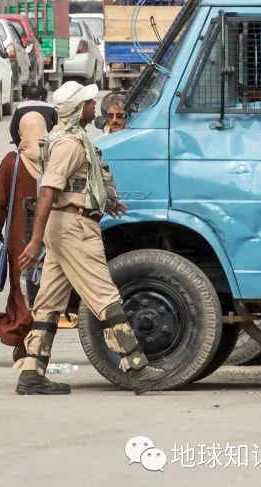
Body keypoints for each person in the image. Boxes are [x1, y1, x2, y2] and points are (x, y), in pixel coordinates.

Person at [15, 81, 165, 395]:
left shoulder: (74, 138)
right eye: (87, 102)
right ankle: (136, 367)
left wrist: (107, 201)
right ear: (75, 109)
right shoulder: (69, 143)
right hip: (74, 228)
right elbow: (47, 192)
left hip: (66, 226)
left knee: (49, 302)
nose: (92, 105)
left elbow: (79, 183)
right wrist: (35, 240)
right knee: (104, 296)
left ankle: (32, 373)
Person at [0, 108, 44, 359]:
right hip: (50, 235)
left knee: (21, 287)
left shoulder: (13, 161)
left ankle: (21, 337)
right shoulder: (54, 158)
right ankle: (37, 337)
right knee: (45, 287)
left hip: (19, 237)